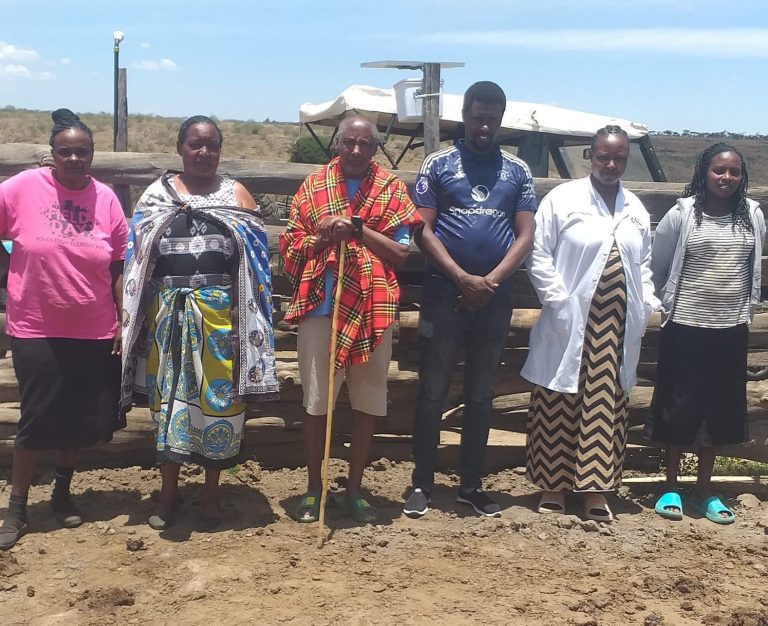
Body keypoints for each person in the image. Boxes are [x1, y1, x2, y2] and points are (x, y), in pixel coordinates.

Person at [121, 115, 278, 531]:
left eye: (211, 146)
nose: (204, 153)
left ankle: (212, 495)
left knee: (220, 401)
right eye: (195, 145)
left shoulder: (236, 195)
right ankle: (169, 495)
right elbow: (137, 259)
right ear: (180, 148)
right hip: (168, 317)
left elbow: (257, 262)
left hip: (220, 317)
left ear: (220, 151)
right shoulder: (156, 196)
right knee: (170, 402)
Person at [403, 81, 536, 519]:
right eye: (478, 117)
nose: (484, 126)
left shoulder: (517, 171)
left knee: (481, 395)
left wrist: (490, 282)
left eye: (492, 119)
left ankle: (471, 485)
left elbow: (526, 234)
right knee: (433, 391)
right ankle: (422, 482)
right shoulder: (438, 164)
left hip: (494, 299)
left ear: (501, 119)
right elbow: (421, 229)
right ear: (465, 114)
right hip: (444, 294)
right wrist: (462, 278)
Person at [280, 115, 420, 524]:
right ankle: (313, 489)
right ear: (337, 144)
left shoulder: (391, 189)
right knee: (318, 402)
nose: (357, 151)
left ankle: (355, 490)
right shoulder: (314, 186)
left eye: (365, 144)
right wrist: (325, 234)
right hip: (322, 308)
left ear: (374, 148)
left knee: (366, 403)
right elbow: (292, 247)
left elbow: (400, 253)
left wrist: (355, 230)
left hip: (372, 311)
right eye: (349, 143)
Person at [0, 109, 128, 549]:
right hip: (36, 326)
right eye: (65, 152)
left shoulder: (106, 199)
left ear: (92, 155)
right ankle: (16, 507)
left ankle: (61, 492)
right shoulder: (21, 189)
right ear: (51, 156)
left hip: (93, 328)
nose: (74, 158)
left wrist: (122, 319)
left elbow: (117, 265)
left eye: (82, 152)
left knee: (77, 418)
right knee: (36, 418)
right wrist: (7, 274)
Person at [521, 125, 659, 522]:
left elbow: (643, 263)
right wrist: (557, 300)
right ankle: (552, 486)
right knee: (556, 402)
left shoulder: (634, 208)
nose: (610, 164)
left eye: (618, 158)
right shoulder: (563, 199)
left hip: (615, 326)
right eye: (603, 156)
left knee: (605, 404)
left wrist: (646, 300)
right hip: (570, 318)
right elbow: (539, 251)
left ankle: (595, 490)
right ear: (590, 156)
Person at [648, 143, 764, 524]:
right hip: (685, 326)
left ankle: (704, 491)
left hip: (731, 327)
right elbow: (659, 266)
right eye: (719, 170)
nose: (726, 178)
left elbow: (752, 265)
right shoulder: (681, 216)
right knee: (678, 405)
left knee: (719, 410)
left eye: (734, 171)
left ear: (742, 176)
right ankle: (670, 487)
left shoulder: (752, 215)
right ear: (704, 172)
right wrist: (668, 304)